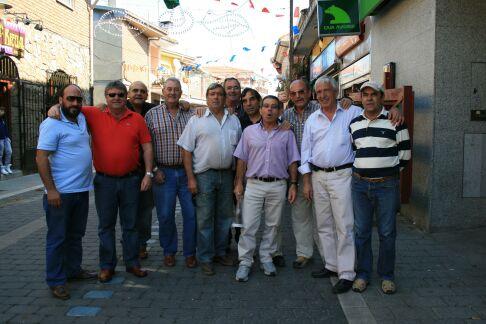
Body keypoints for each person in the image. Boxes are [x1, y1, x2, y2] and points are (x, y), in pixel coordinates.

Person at [299, 77, 363, 294]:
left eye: (327, 90)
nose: (323, 95)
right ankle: (331, 265)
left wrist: (395, 113)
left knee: (344, 225)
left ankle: (346, 273)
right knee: (323, 224)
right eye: (319, 91)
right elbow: (305, 153)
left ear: (336, 92)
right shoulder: (312, 120)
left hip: (342, 175)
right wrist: (306, 181)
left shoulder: (352, 113)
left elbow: (375, 115)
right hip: (318, 177)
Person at [349, 82, 411, 295]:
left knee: (387, 232)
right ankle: (363, 274)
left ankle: (386, 276)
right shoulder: (354, 123)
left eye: (373, 94)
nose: (369, 98)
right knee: (361, 232)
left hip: (386, 185)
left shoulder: (396, 121)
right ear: (361, 99)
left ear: (381, 97)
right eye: (365, 95)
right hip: (359, 185)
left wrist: (387, 173)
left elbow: (404, 155)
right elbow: (354, 150)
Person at [36, 84, 96, 300]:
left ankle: (73, 270)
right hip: (60, 194)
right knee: (57, 238)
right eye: (70, 99)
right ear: (60, 99)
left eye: (79, 99)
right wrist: (51, 190)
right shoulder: (51, 123)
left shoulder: (81, 118)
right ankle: (55, 280)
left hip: (81, 191)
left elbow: (101, 107)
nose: (75, 103)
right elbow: (41, 158)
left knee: (75, 236)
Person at [233, 95, 299, 282]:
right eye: (266, 106)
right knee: (249, 226)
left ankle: (266, 258)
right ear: (261, 110)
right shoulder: (249, 132)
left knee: (273, 225)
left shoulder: (287, 133)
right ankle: (245, 262)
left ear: (279, 111)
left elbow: (293, 160)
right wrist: (239, 183)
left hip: (278, 185)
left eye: (274, 107)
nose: (269, 110)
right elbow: (242, 159)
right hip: (254, 184)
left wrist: (293, 184)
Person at [178, 83, 242, 276]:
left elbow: (240, 152)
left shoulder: (234, 121)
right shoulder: (196, 120)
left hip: (227, 174)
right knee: (205, 218)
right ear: (206, 98)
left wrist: (238, 179)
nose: (216, 97)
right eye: (212, 94)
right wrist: (191, 178)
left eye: (219, 94)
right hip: (204, 174)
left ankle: (220, 252)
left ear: (225, 98)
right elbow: (186, 150)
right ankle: (205, 257)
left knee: (225, 217)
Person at [145, 77, 197, 268]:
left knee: (191, 214)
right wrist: (154, 169)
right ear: (163, 91)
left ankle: (190, 252)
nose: (172, 93)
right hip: (163, 173)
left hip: (186, 173)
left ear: (181, 93)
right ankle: (169, 251)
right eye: (169, 89)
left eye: (176, 89)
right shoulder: (151, 115)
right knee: (165, 215)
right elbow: (146, 145)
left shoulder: (192, 114)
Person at [126, 81, 157, 260]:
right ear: (129, 93)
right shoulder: (119, 107)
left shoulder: (151, 110)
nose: (138, 93)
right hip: (127, 171)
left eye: (142, 91)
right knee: (128, 212)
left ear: (146, 95)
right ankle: (129, 245)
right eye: (135, 90)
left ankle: (142, 244)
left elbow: (173, 106)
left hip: (147, 170)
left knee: (145, 211)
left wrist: (184, 104)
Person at [0, 106, 12, 175]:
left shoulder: (3, 119)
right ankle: (1, 167)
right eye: (1, 110)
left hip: (5, 138)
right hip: (0, 139)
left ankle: (7, 166)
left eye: (3, 111)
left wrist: (7, 137)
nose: (2, 112)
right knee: (0, 154)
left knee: (9, 151)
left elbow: (5, 128)